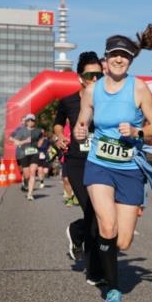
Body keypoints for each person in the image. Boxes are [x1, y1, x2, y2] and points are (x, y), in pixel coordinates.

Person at [75, 26, 152, 302]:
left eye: (124, 56)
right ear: (106, 59)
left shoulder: (138, 88)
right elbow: (81, 122)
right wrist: (79, 131)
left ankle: (104, 257)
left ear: (130, 60)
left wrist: (138, 132)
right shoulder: (92, 90)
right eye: (114, 54)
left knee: (123, 241)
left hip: (129, 168)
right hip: (99, 165)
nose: (118, 59)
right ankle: (113, 290)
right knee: (107, 226)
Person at [55, 51, 105, 284]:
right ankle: (94, 269)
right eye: (89, 75)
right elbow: (58, 124)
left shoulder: (109, 100)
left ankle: (77, 230)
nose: (94, 79)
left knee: (100, 214)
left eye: (99, 75)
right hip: (77, 162)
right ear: (79, 78)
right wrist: (59, 136)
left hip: (103, 161)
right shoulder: (68, 101)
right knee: (93, 211)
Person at [9, 114, 43, 201]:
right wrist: (25, 141)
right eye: (29, 120)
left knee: (33, 172)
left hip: (34, 154)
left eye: (32, 120)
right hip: (24, 154)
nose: (30, 122)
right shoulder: (21, 131)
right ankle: (25, 181)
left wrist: (40, 144)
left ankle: (30, 194)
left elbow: (41, 140)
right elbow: (16, 143)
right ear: (26, 122)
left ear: (35, 122)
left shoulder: (38, 131)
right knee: (27, 175)